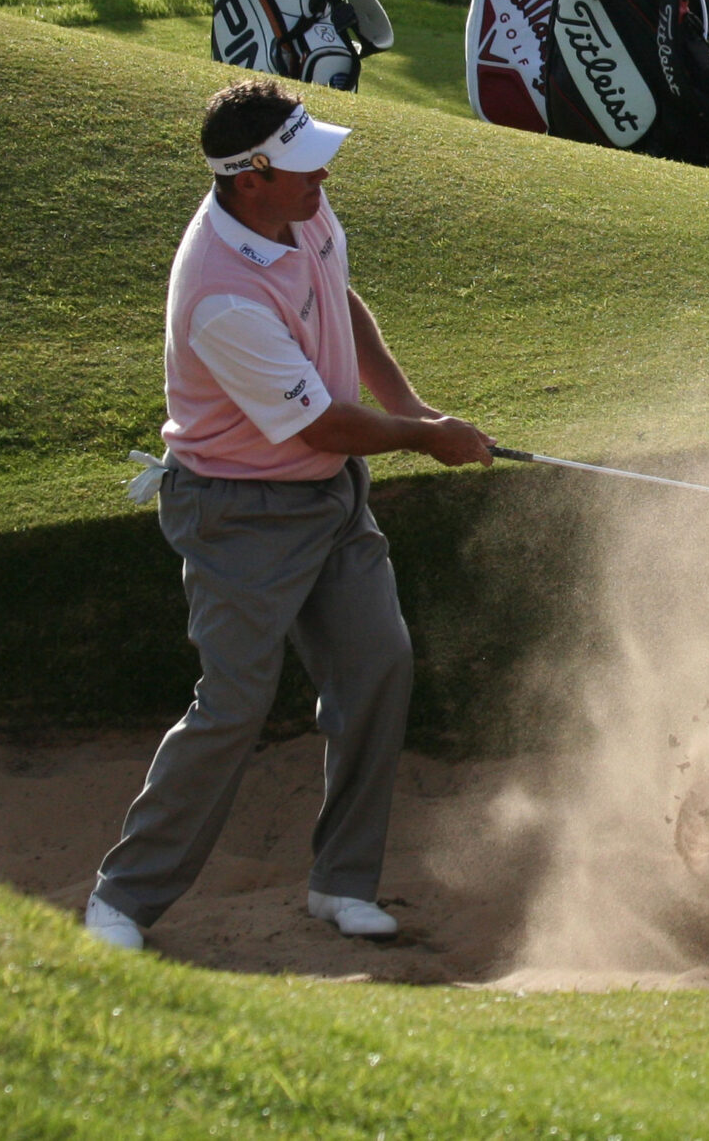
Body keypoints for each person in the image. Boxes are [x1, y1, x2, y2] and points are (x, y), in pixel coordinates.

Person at [83, 80, 494, 955]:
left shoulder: (300, 213)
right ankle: (122, 898)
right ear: (249, 178)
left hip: (327, 494)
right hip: (239, 512)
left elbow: (339, 297)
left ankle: (340, 882)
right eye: (305, 167)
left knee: (378, 662)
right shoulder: (218, 294)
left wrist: (411, 402)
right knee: (232, 703)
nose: (325, 177)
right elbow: (320, 423)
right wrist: (426, 438)